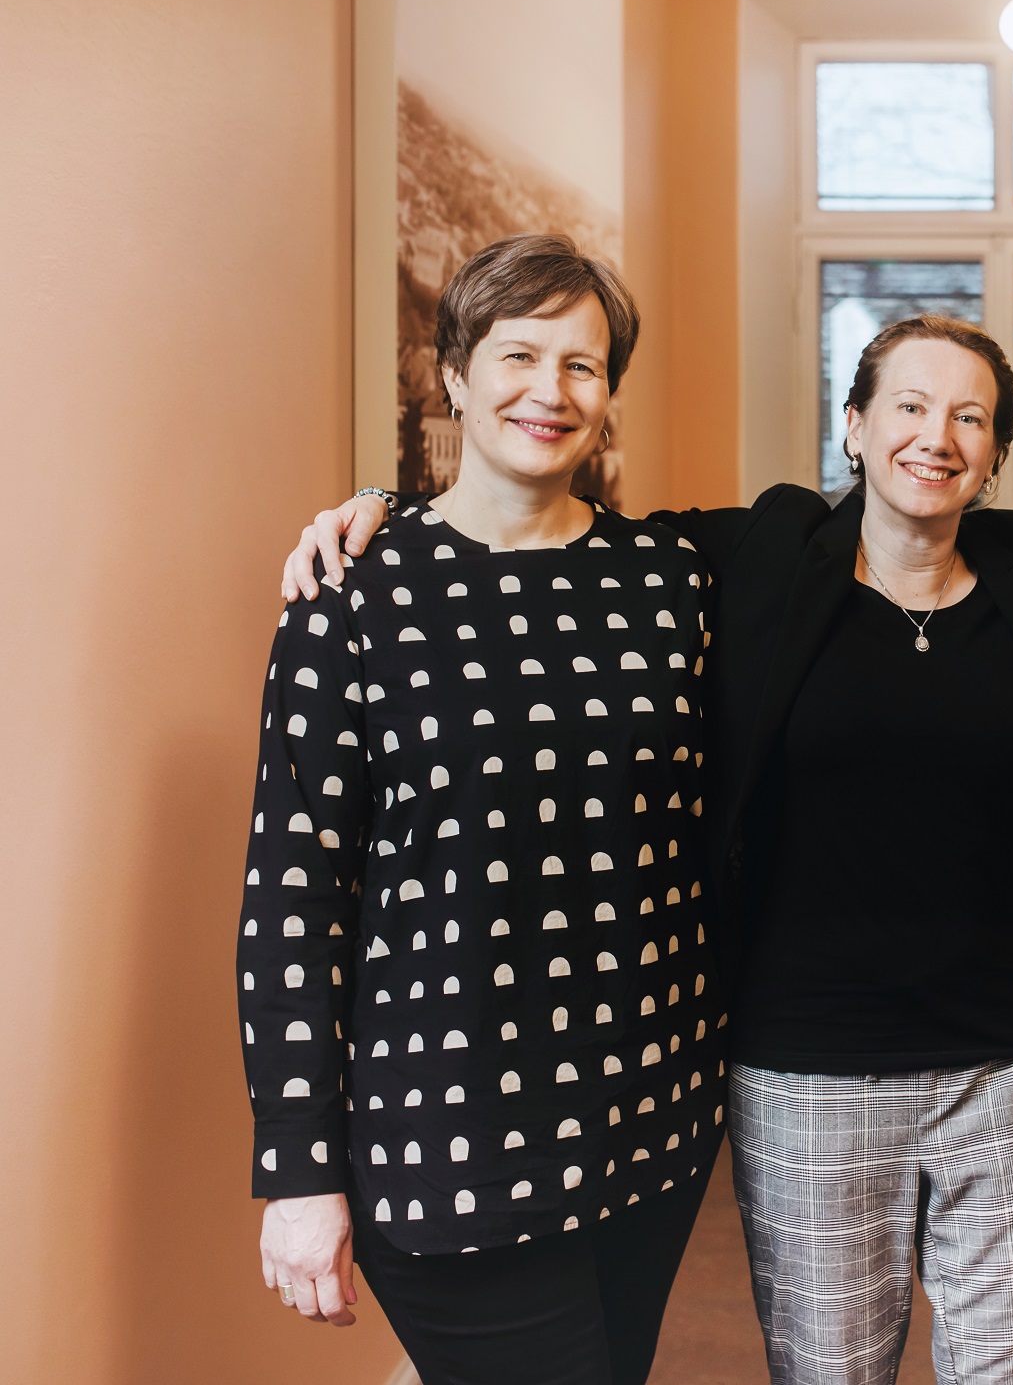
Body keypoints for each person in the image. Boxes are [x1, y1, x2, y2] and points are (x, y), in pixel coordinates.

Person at [289, 314, 1013, 1385]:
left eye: (971, 416)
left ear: (998, 452)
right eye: (910, 406)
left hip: (1004, 1062)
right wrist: (387, 504)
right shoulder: (765, 553)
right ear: (856, 427)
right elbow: (554, 522)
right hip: (808, 1065)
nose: (939, 435)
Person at [239, 233, 724, 1385]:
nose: (549, 393)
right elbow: (292, 893)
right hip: (445, 1132)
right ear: (454, 371)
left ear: (611, 396)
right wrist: (300, 1172)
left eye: (583, 366)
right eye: (518, 355)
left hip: (649, 1118)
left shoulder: (672, 582)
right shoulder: (353, 590)